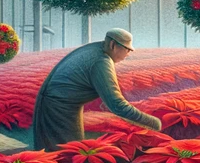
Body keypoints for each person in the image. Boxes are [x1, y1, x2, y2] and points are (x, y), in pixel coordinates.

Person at [30, 27, 162, 149]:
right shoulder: (101, 61)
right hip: (57, 109)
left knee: (70, 153)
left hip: (58, 104)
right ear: (113, 45)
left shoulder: (97, 49)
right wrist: (153, 123)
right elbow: (117, 105)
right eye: (127, 49)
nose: (129, 53)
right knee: (66, 156)